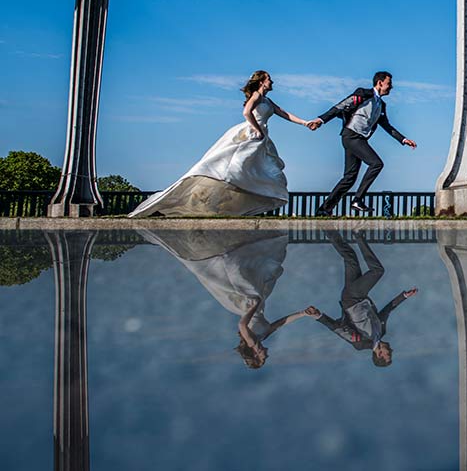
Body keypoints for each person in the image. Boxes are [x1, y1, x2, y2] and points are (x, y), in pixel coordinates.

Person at [130, 70, 318, 217]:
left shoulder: (267, 100)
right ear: (262, 81)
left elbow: (284, 113)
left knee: (258, 171)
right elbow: (246, 113)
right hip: (252, 135)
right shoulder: (256, 96)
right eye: (269, 79)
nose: (272, 82)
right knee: (235, 168)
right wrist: (258, 130)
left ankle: (231, 200)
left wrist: (305, 122)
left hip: (260, 138)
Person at [137, 229, 320, 369]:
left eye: (264, 358)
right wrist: (303, 313)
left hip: (248, 303)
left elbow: (241, 325)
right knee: (258, 270)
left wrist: (253, 307)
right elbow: (280, 323)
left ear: (255, 355)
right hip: (257, 302)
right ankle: (236, 247)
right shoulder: (262, 337)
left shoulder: (251, 340)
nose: (267, 355)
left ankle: (227, 250)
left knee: (240, 272)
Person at [308, 71, 416, 216]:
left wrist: (403, 139)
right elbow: (341, 106)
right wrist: (320, 120)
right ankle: (357, 200)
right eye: (389, 84)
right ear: (380, 83)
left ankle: (324, 210)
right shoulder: (363, 94)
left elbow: (387, 126)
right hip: (351, 136)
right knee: (376, 164)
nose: (391, 87)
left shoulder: (381, 105)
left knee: (349, 177)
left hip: (359, 139)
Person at [309, 232, 417, 367]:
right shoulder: (381, 332)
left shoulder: (361, 343)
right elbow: (387, 310)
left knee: (377, 271)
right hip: (359, 296)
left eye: (388, 353)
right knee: (350, 257)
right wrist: (404, 296)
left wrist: (319, 316)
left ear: (379, 354)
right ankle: (328, 228)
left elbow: (338, 330)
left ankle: (358, 234)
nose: (391, 350)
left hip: (352, 299)